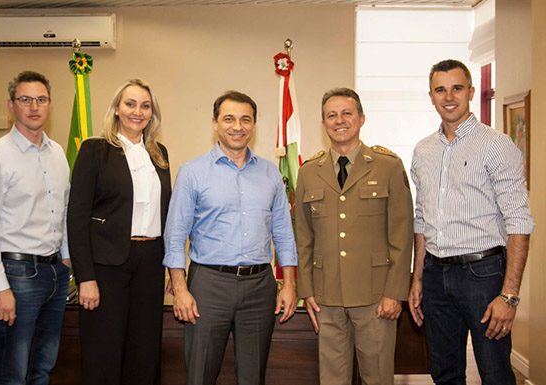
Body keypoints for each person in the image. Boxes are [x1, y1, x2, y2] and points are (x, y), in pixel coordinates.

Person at [409, 59, 534, 385]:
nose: (448, 96)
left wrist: (509, 295)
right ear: (431, 96)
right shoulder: (423, 151)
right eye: (440, 89)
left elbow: (518, 220)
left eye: (457, 88)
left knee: (495, 373)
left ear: (471, 92)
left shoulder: (496, 144)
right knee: (444, 372)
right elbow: (421, 219)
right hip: (435, 275)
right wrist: (418, 278)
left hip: (483, 276)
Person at [164, 90, 298, 385]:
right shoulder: (193, 172)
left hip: (259, 286)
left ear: (253, 125)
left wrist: (289, 284)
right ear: (215, 123)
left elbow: (284, 234)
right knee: (201, 374)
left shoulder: (270, 174)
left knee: (253, 376)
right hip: (209, 285)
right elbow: (175, 236)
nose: (237, 126)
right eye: (229, 119)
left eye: (245, 119)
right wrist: (180, 288)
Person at [294, 87, 413, 385]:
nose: (339, 121)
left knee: (377, 377)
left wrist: (395, 292)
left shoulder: (388, 166)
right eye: (331, 115)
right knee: (332, 379)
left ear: (361, 118)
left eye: (347, 113)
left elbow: (401, 235)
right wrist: (307, 290)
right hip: (327, 295)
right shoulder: (309, 172)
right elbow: (304, 237)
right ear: (323, 124)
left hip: (376, 296)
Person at [67, 79, 171, 384]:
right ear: (116, 108)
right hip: (105, 266)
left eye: (145, 106)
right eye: (130, 104)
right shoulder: (95, 150)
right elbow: (77, 218)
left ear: (152, 113)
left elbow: (165, 212)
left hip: (150, 263)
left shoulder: (159, 154)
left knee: (145, 352)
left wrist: (171, 267)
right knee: (104, 352)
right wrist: (85, 277)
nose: (137, 112)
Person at [0, 71, 70, 385]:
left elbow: (64, 210)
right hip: (16, 275)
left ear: (50, 105)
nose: (34, 106)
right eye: (25, 99)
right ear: (12, 105)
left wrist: (67, 257)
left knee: (43, 367)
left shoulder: (57, 154)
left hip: (54, 272)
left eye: (41, 99)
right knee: (12, 372)